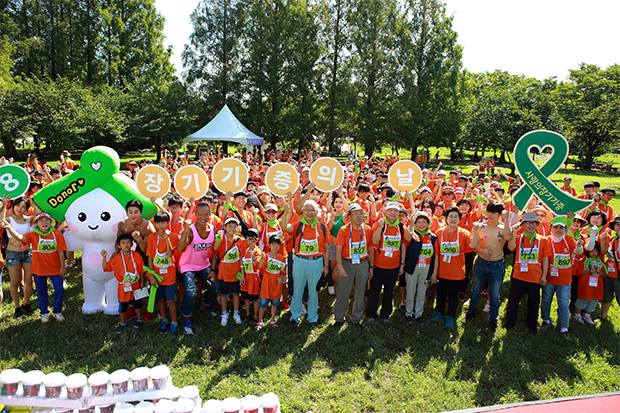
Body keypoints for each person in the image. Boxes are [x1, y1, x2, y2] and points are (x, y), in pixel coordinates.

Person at [1, 213, 67, 323]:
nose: (44, 223)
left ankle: (57, 311)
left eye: (47, 220)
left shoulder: (57, 234)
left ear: (51, 222)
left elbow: (61, 252)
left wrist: (63, 267)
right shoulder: (33, 235)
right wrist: (9, 228)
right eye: (41, 220)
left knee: (59, 289)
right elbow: (20, 238)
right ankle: (44, 312)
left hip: (55, 268)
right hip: (39, 269)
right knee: (41, 292)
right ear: (36, 223)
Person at [282, 199, 331, 329]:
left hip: (316, 262)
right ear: (303, 211)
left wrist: (326, 266)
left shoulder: (322, 227)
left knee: (313, 291)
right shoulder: (298, 225)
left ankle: (312, 317)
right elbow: (284, 227)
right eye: (307, 210)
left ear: (317, 212)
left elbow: (326, 248)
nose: (310, 213)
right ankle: (295, 316)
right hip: (300, 261)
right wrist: (286, 212)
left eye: (313, 210)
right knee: (298, 290)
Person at [466, 203, 512, 331]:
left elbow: (508, 237)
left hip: (496, 264)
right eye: (489, 212)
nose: (491, 215)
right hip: (481, 262)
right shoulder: (480, 226)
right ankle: (472, 312)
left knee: (494, 293)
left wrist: (507, 219)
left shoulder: (503, 227)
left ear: (499, 214)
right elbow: (473, 245)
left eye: (494, 213)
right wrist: (480, 250)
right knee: (475, 289)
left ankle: (493, 319)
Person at [505, 212, 551, 335]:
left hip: (535, 277)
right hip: (518, 275)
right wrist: (514, 232)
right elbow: (511, 247)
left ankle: (532, 325)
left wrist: (544, 276)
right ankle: (510, 322)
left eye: (533, 223)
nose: (531, 225)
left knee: (534, 301)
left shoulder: (543, 240)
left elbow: (545, 259)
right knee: (514, 300)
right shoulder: (519, 238)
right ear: (523, 225)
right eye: (528, 222)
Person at [178, 202, 218, 335]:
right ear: (195, 215)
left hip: (203, 264)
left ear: (210, 215)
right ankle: (187, 318)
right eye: (199, 214)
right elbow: (180, 249)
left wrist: (212, 269)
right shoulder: (191, 230)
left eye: (205, 214)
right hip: (188, 265)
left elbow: (214, 252)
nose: (202, 217)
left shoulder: (213, 230)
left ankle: (203, 307)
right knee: (190, 291)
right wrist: (185, 231)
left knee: (214, 286)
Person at [540, 216, 582, 340]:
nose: (558, 230)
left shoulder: (569, 239)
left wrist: (579, 245)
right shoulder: (545, 240)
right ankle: (546, 320)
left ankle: (564, 328)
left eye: (561, 227)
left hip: (564, 280)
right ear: (551, 227)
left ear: (565, 228)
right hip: (549, 279)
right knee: (546, 299)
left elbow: (578, 252)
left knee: (563, 303)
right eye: (556, 227)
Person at [430, 206, 473, 327]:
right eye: (450, 216)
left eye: (456, 217)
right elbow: (437, 255)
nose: (453, 219)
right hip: (442, 271)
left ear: (459, 219)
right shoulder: (439, 233)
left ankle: (450, 316)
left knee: (453, 296)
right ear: (446, 219)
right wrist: (435, 272)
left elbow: (473, 246)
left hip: (457, 273)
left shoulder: (464, 234)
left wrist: (476, 230)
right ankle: (439, 312)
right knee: (441, 294)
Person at [334, 203, 373, 326]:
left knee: (360, 293)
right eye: (355, 214)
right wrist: (340, 267)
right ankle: (339, 318)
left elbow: (371, 248)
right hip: (347, 264)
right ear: (349, 216)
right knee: (343, 293)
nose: (359, 216)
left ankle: (356, 318)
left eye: (361, 213)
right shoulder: (344, 230)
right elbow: (338, 250)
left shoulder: (367, 229)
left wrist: (371, 267)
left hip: (362, 264)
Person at [368, 201, 407, 323]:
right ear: (385, 211)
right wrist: (380, 227)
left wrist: (402, 264)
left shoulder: (401, 227)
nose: (393, 213)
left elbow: (403, 246)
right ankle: (371, 314)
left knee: (389, 291)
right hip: (379, 265)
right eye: (390, 210)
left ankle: (385, 314)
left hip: (394, 266)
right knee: (375, 291)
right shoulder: (378, 224)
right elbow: (374, 242)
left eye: (396, 211)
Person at [101, 234, 146, 333]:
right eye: (123, 243)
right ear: (119, 246)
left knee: (137, 303)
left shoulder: (136, 255)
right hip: (123, 287)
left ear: (132, 244)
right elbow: (105, 268)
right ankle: (122, 322)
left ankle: (139, 319)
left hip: (136, 284)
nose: (126, 245)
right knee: (123, 305)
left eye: (128, 242)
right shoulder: (116, 258)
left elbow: (142, 269)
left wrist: (142, 282)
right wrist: (104, 257)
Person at [146, 211, 180, 334]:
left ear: (167, 223)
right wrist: (151, 275)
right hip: (156, 274)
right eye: (158, 223)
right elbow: (149, 256)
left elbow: (171, 254)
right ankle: (164, 320)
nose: (161, 225)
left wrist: (166, 239)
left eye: (163, 223)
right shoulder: (151, 237)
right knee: (160, 299)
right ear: (155, 224)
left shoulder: (173, 236)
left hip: (169, 274)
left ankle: (174, 322)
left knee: (170, 300)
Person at [0, 195, 34, 318]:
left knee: (29, 281)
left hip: (28, 253)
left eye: (23, 207)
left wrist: (34, 203)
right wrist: (4, 205)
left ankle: (26, 303)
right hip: (12, 253)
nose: (19, 209)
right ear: (13, 207)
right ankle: (17, 307)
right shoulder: (9, 220)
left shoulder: (29, 219)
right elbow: (1, 221)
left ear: (26, 209)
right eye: (17, 206)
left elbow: (42, 215)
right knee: (15, 282)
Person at [213, 217, 248, 326]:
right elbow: (215, 249)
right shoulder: (221, 238)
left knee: (235, 293)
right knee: (223, 293)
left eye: (234, 226)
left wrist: (242, 274)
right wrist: (218, 239)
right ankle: (224, 313)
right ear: (225, 227)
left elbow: (242, 257)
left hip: (236, 271)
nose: (232, 228)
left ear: (237, 228)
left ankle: (236, 313)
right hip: (224, 271)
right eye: (230, 226)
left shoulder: (239, 240)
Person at [403, 211, 437, 324]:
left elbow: (435, 255)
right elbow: (407, 238)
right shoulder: (412, 234)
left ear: (428, 223)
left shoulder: (432, 237)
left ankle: (418, 314)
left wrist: (433, 272)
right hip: (413, 267)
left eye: (424, 222)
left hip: (426, 268)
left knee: (422, 292)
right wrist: (411, 225)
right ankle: (408, 313)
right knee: (411, 290)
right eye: (419, 222)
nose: (421, 224)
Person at [256, 235, 287, 329]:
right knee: (263, 302)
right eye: (273, 245)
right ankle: (260, 320)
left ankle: (273, 319)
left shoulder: (281, 258)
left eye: (277, 245)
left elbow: (283, 272)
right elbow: (260, 267)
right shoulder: (266, 256)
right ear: (269, 245)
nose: (275, 247)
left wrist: (281, 278)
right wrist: (262, 258)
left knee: (275, 302)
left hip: (276, 284)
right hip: (266, 283)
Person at [575, 243, 606, 325]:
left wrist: (600, 272)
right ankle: (577, 314)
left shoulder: (600, 262)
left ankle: (587, 315)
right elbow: (579, 272)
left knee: (593, 300)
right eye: (591, 251)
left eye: (596, 251)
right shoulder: (583, 261)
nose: (594, 253)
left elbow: (604, 274)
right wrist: (588, 271)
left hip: (596, 286)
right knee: (582, 299)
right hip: (585, 285)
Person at [117, 199, 155, 263]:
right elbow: (119, 241)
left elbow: (147, 251)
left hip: (146, 253)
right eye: (130, 212)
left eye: (136, 212)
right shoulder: (123, 224)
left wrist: (139, 239)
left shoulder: (147, 228)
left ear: (141, 213)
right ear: (127, 213)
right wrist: (116, 252)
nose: (133, 215)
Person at [240, 228, 262, 322]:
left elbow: (257, 264)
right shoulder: (246, 250)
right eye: (248, 238)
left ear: (256, 240)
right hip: (246, 277)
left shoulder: (257, 251)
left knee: (254, 298)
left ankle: (256, 315)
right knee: (246, 297)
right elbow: (242, 263)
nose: (250, 241)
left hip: (254, 277)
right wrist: (242, 276)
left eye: (252, 239)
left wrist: (253, 256)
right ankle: (248, 314)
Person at [601, 216, 620, 321]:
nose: (619, 227)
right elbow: (606, 253)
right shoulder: (613, 240)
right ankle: (603, 316)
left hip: (618, 274)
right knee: (606, 296)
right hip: (609, 273)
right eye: (617, 225)